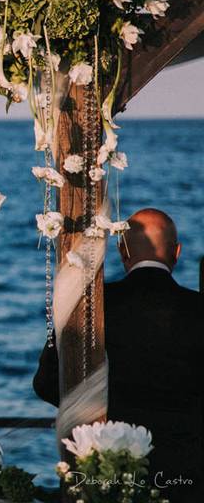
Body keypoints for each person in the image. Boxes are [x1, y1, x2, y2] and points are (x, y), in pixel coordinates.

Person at [33, 208, 202, 503]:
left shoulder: (88, 307)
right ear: (177, 252)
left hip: (108, 470)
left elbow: (47, 384)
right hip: (189, 472)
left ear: (122, 251)